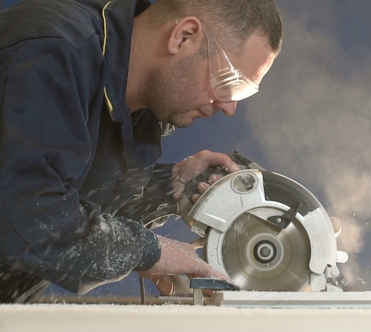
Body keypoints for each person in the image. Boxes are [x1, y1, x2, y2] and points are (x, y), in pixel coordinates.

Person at [0, 0, 282, 303]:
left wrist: (171, 188)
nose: (229, 107)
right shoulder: (53, 53)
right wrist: (148, 251)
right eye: (230, 82)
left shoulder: (144, 108)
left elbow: (82, 205)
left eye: (242, 93)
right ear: (184, 36)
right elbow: (26, 219)